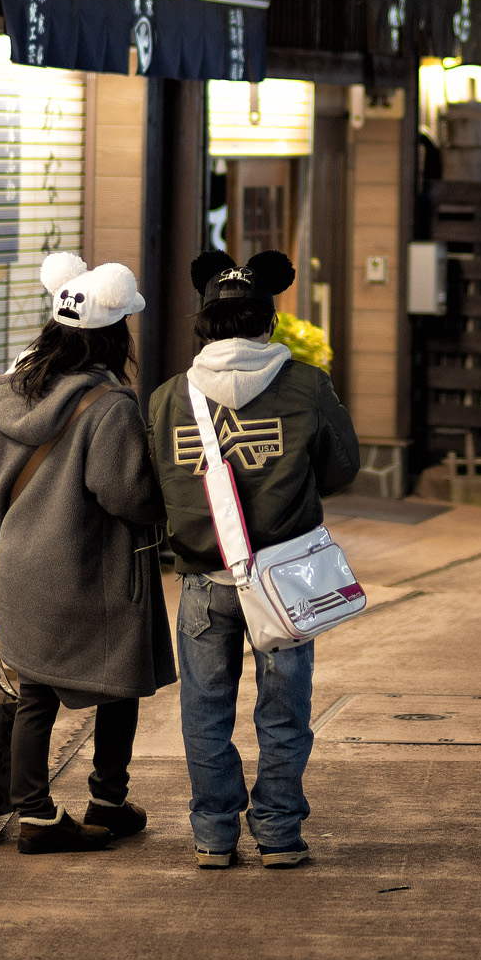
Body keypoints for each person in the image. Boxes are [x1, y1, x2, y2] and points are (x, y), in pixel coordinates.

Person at [148, 249, 360, 869]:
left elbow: (147, 486)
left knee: (204, 709)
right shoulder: (305, 385)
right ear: (269, 322)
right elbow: (343, 467)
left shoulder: (167, 400)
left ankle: (214, 833)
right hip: (287, 577)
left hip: (204, 582)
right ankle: (277, 831)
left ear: (203, 325)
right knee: (285, 710)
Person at [0, 252, 174, 853]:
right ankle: (106, 802)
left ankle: (35, 814)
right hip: (93, 574)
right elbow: (126, 494)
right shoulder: (108, 406)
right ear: (113, 336)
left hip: (21, 573)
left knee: (36, 694)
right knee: (117, 683)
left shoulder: (8, 398)